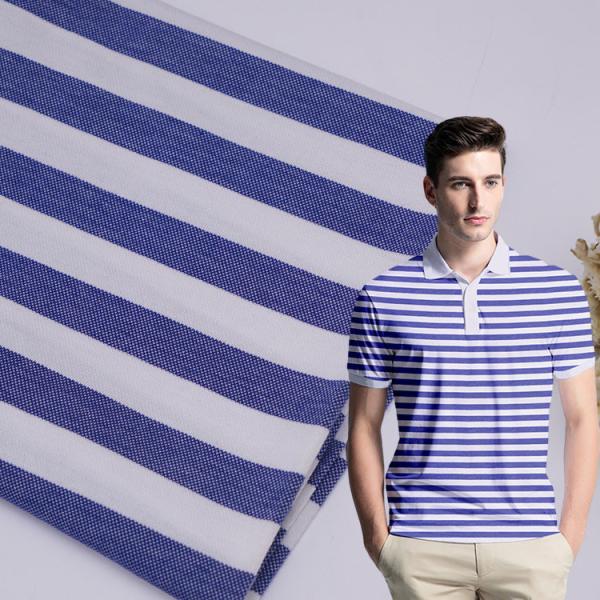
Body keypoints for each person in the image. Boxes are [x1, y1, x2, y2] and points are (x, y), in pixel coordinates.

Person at [346, 116, 599, 599]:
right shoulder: (383, 296)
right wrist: (378, 539)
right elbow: (363, 424)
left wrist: (568, 538)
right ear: (431, 190)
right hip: (422, 546)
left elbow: (583, 417)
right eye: (461, 184)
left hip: (530, 546)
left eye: (491, 182)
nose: (478, 202)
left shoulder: (557, 292)